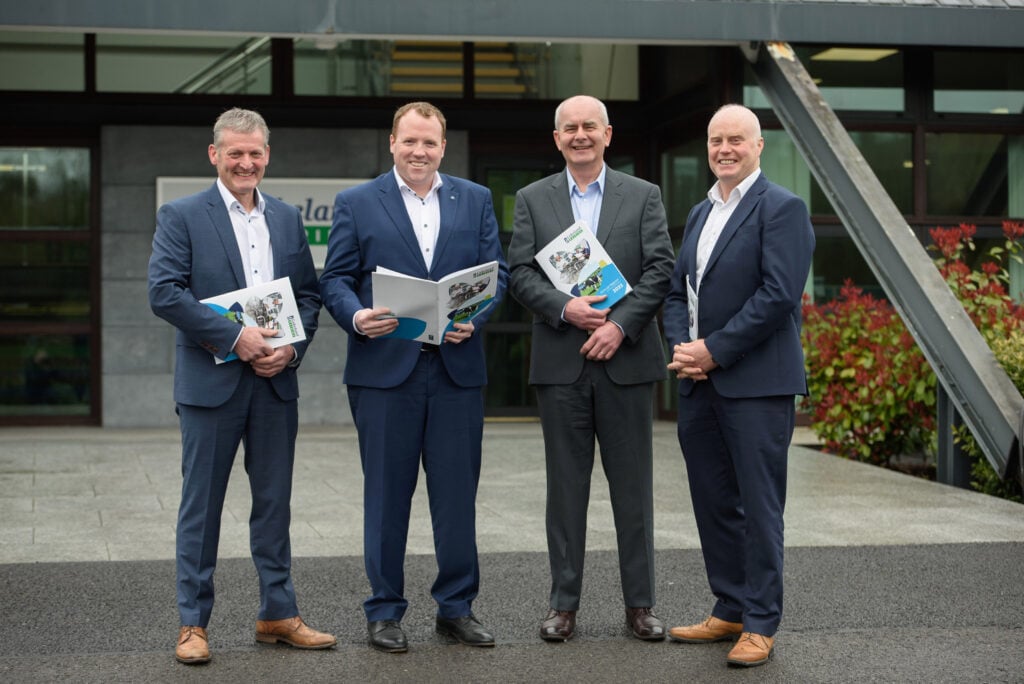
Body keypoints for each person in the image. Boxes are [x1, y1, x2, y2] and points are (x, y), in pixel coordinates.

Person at [319, 101, 508, 653]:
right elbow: (335, 278)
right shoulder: (357, 202)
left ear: (443, 147)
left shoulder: (474, 199)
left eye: (429, 142)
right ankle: (384, 611)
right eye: (409, 141)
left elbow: (495, 276)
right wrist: (357, 316)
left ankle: (456, 608)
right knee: (386, 497)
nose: (419, 151)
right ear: (392, 143)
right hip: (383, 371)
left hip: (455, 369)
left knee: (456, 498)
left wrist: (473, 317)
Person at [148, 108, 334, 665]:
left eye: (255, 153)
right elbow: (164, 292)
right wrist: (236, 337)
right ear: (215, 155)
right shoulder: (182, 215)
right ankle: (192, 624)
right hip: (211, 386)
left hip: (274, 384)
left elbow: (308, 296)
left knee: (274, 505)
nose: (245, 162)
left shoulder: (287, 218)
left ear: (267, 155)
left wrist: (290, 350)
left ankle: (278, 613)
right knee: (201, 508)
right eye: (235, 153)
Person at [508, 95, 675, 642]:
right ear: (557, 138)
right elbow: (519, 273)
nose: (580, 135)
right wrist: (565, 308)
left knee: (634, 491)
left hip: (626, 361)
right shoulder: (532, 198)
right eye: (569, 128)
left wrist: (619, 326)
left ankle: (641, 605)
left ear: (608, 134)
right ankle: (563, 606)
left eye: (589, 126)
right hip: (561, 364)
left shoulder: (643, 195)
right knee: (564, 491)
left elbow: (660, 269)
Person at [662, 104, 815, 667]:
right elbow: (677, 291)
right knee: (713, 501)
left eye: (736, 140)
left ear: (758, 146)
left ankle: (760, 622)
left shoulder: (782, 208)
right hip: (699, 383)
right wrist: (684, 349)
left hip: (756, 385)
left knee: (759, 505)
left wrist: (715, 350)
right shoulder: (701, 211)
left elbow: (778, 295)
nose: (724, 149)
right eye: (715, 140)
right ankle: (729, 606)